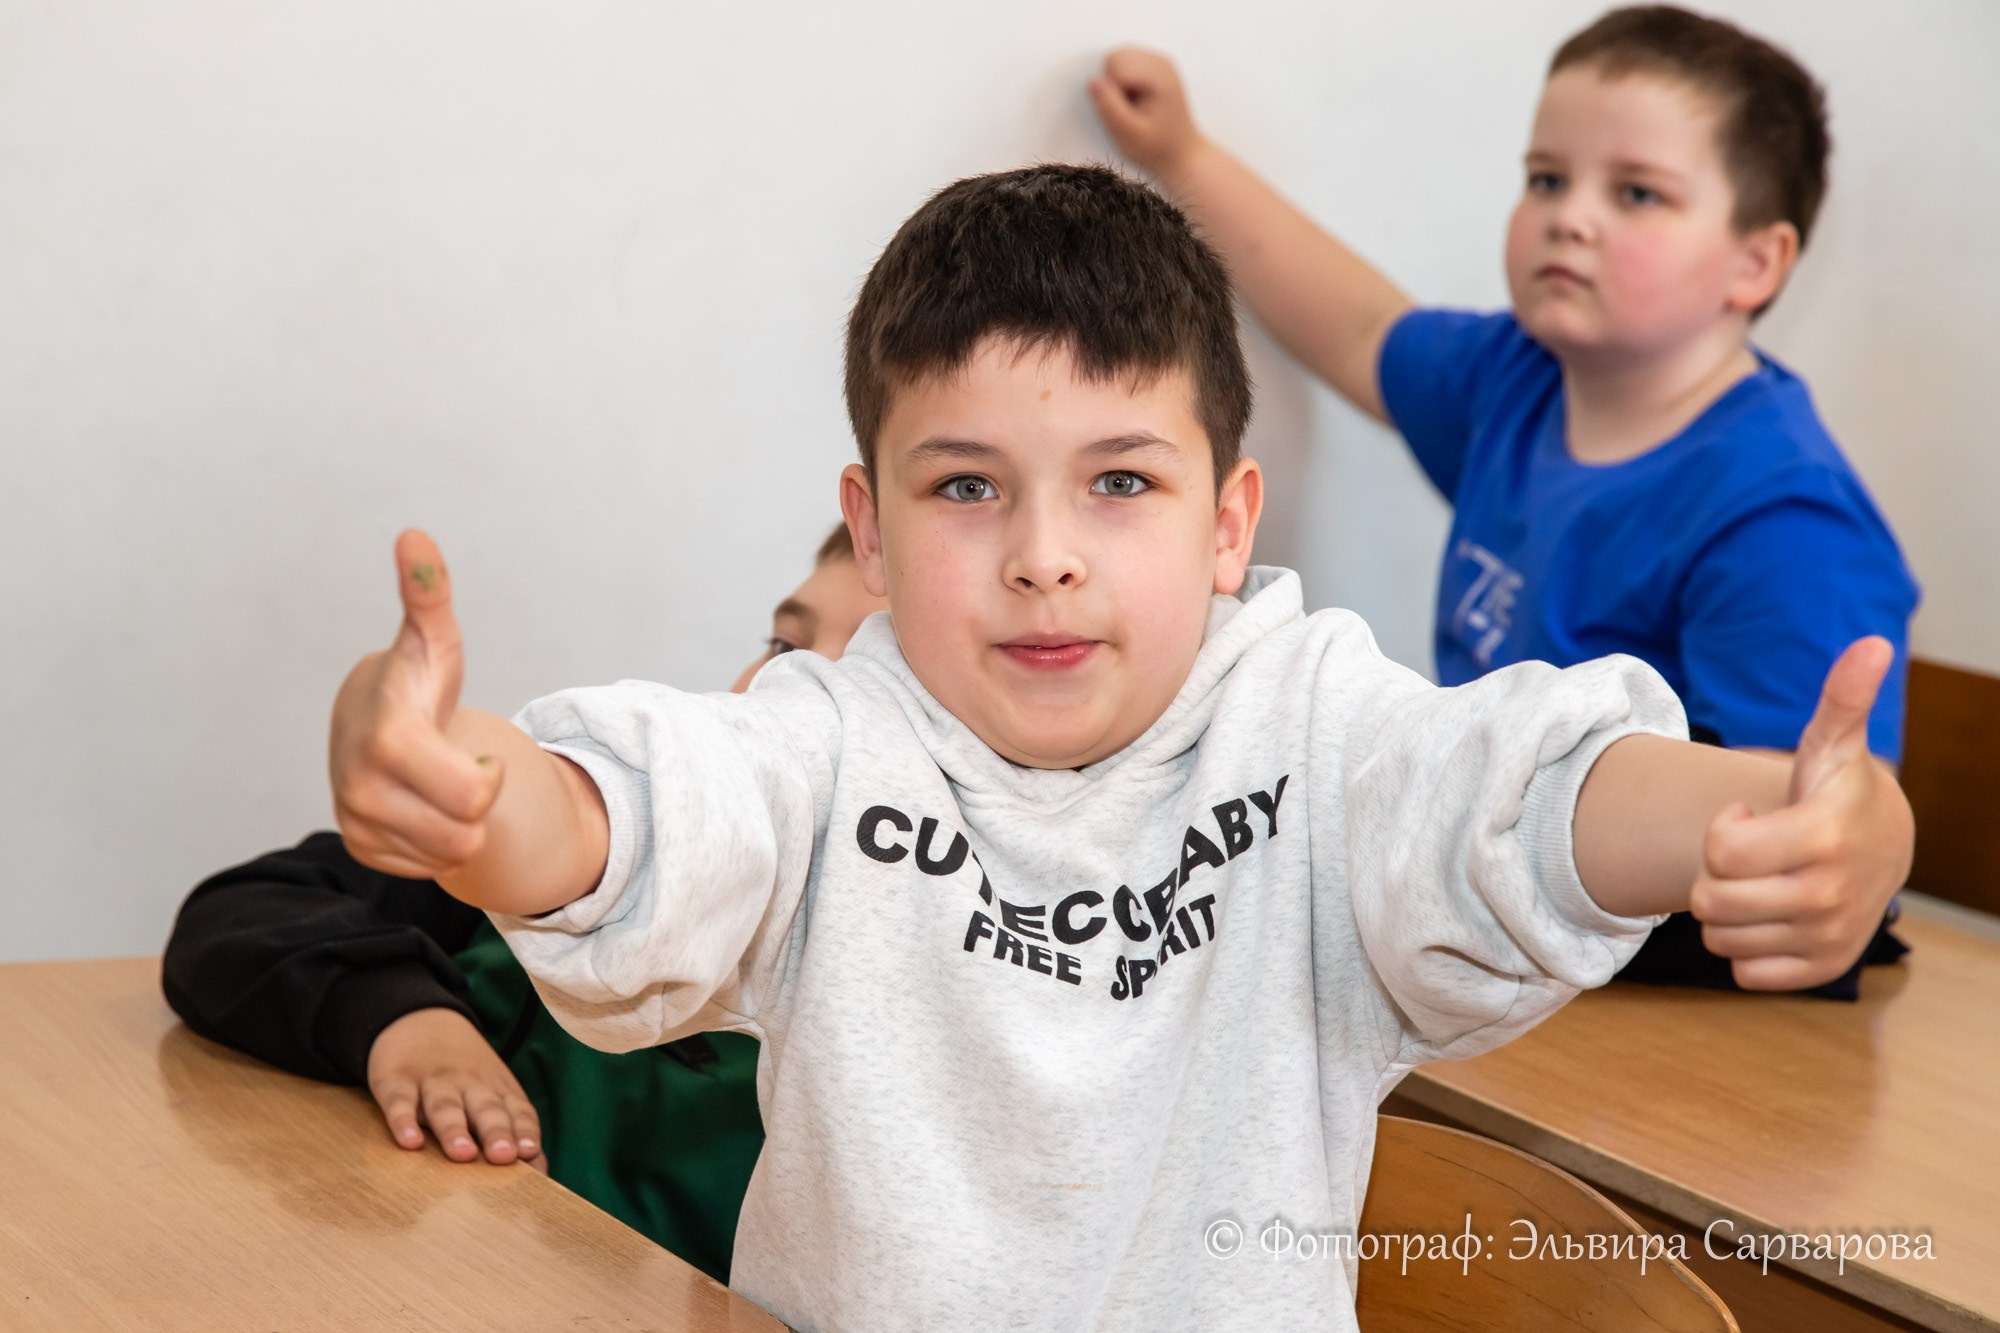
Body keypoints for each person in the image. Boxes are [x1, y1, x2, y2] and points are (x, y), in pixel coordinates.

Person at [325, 165, 1911, 1330]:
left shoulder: (1310, 724)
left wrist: (1783, 818)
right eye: (966, 489)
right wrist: (474, 793)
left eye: (1119, 484)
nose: (1043, 556)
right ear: (866, 531)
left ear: (1229, 523)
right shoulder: (827, 737)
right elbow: (644, 815)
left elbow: (1522, 792)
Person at [1088, 7, 1920, 997]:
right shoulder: (1515, 380)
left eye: (1637, 192)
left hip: (1690, 965)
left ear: (1755, 262)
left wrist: (1874, 833)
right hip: (1513, 897)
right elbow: (1357, 329)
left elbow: (1806, 821)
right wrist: (1181, 153)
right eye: (1546, 179)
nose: (1572, 214)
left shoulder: (1781, 519)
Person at [161, 523, 884, 1283]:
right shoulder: (578, 874)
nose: (780, 695)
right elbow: (244, 914)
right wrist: (408, 1020)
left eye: (857, 679)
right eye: (781, 649)